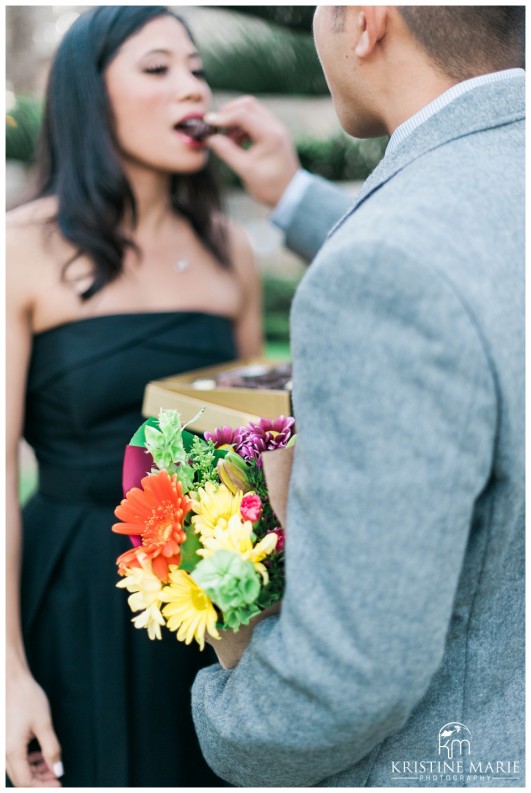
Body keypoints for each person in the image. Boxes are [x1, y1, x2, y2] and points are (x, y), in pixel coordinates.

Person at [190, 6, 525, 787]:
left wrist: (225, 716)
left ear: (367, 20)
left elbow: (349, 675)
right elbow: (471, 263)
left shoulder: (383, 270)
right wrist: (293, 194)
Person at [6, 5, 262, 787]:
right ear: (89, 96)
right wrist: (7, 672)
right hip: (75, 592)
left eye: (196, 68)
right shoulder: (22, 250)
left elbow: (258, 455)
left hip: (212, 604)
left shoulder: (231, 252)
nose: (189, 86)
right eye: (157, 68)